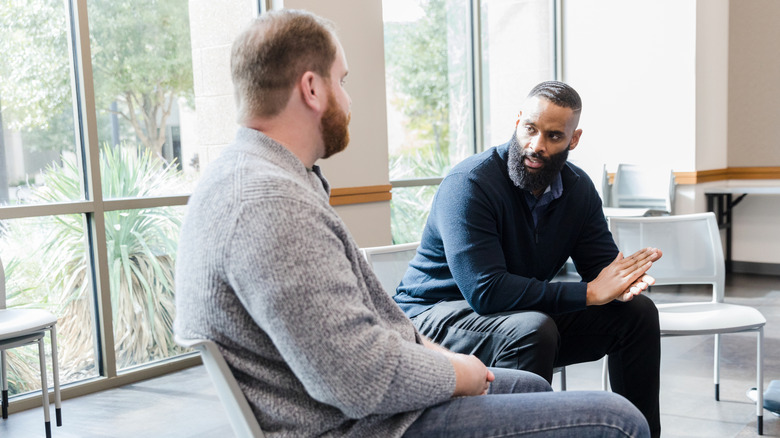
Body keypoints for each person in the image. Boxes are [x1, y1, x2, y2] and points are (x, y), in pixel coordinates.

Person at [174, 10, 651, 438]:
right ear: (312, 89)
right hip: (368, 425)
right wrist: (452, 373)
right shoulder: (269, 203)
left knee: (530, 382)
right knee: (618, 420)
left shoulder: (262, 181)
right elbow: (357, 379)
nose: (350, 98)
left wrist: (437, 358)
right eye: (344, 80)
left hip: (368, 404)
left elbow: (365, 337)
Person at [393, 80, 664, 437]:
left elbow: (601, 268)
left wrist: (624, 283)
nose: (536, 146)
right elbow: (486, 292)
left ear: (574, 139)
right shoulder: (469, 183)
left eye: (553, 136)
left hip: (513, 315)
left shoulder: (578, 189)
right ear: (518, 120)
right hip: (432, 318)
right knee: (532, 330)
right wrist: (588, 294)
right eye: (530, 129)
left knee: (637, 315)